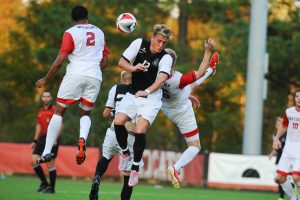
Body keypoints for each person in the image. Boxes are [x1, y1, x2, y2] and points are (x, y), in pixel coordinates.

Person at [35, 5, 109, 165]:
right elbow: (105, 62)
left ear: (72, 19)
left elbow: (59, 61)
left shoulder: (71, 32)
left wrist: (46, 79)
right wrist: (93, 66)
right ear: (87, 17)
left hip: (75, 75)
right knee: (85, 114)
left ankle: (47, 150)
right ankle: (82, 139)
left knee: (59, 112)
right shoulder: (100, 32)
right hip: (95, 77)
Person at [114, 24, 173, 187]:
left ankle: (135, 168)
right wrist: (132, 68)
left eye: (164, 43)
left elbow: (161, 79)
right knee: (118, 121)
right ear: (152, 37)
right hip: (133, 94)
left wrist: (147, 91)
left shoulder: (165, 57)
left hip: (151, 98)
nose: (161, 45)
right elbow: (121, 62)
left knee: (140, 129)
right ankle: (125, 153)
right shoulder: (139, 44)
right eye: (159, 41)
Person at [161, 40, 218, 189]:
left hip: (166, 107)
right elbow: (198, 73)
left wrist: (186, 95)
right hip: (181, 110)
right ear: (172, 64)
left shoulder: (155, 74)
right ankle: (176, 167)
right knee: (195, 147)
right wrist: (207, 51)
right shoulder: (177, 79)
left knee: (190, 85)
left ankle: (211, 70)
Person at [89, 71, 138, 200]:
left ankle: (97, 178)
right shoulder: (139, 90)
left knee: (105, 157)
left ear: (122, 80)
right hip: (130, 135)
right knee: (128, 174)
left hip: (113, 131)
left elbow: (106, 113)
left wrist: (115, 115)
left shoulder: (115, 88)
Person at [31, 90, 60, 193]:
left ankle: (51, 188)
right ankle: (44, 183)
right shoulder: (40, 111)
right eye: (44, 96)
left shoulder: (55, 110)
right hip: (42, 138)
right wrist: (35, 140)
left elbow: (60, 125)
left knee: (50, 164)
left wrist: (55, 139)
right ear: (42, 98)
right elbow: (39, 126)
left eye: (48, 96)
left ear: (51, 98)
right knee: (33, 160)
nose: (46, 98)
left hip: (52, 138)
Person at [273, 89, 300, 200]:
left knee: (296, 177)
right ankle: (294, 196)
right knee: (279, 178)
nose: (299, 98)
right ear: (295, 98)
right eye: (297, 96)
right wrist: (276, 139)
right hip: (288, 150)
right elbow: (283, 126)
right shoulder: (289, 112)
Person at [268, 117, 287, 200]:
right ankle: (281, 196)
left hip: (288, 160)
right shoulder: (275, 135)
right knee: (278, 179)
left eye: (279, 124)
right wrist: (272, 154)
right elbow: (276, 148)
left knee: (291, 179)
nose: (277, 126)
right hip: (279, 160)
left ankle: (293, 195)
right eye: (276, 124)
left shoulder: (288, 134)